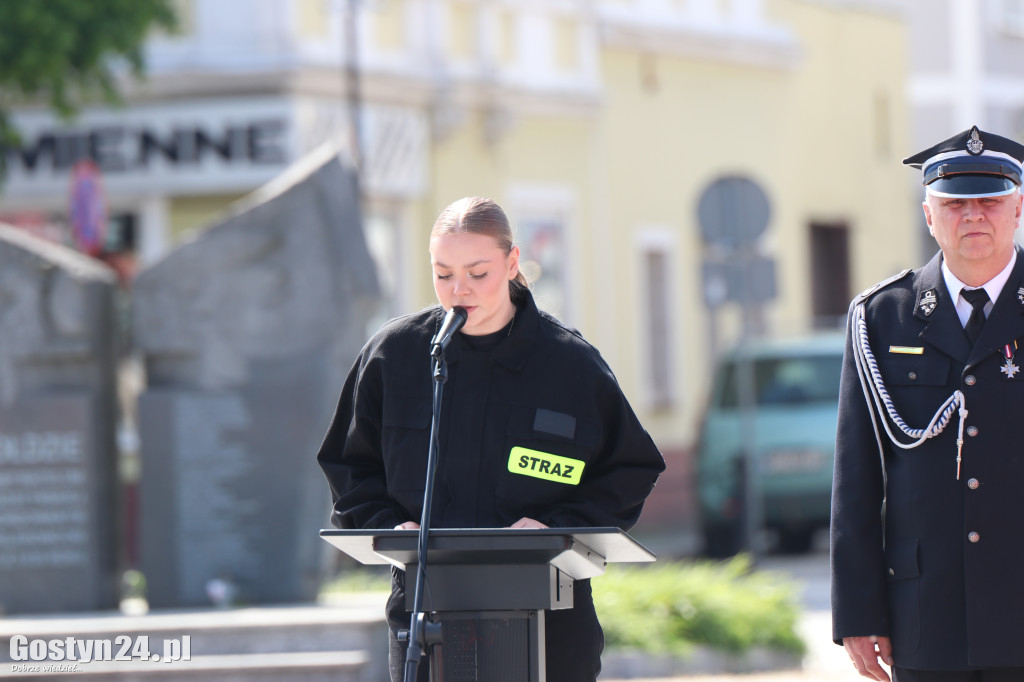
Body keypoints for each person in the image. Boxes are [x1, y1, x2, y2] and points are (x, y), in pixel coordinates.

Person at [318, 196, 665, 682]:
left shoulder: (569, 364)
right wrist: (387, 526)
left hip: (550, 616)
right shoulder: (394, 356)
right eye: (443, 274)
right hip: (426, 613)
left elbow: (631, 468)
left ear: (512, 262)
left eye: (478, 273)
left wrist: (557, 527)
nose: (459, 290)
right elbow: (349, 465)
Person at [831, 126, 1024, 682]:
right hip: (926, 617)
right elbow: (857, 480)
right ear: (928, 214)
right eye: (955, 203)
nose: (973, 216)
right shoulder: (880, 317)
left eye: (990, 201)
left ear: (1017, 210)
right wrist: (859, 613)